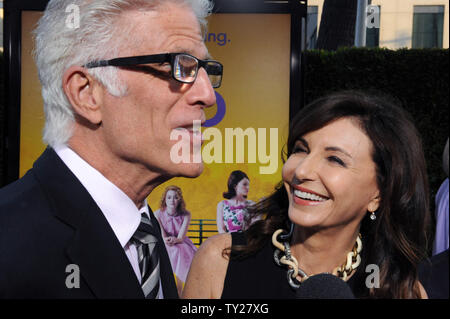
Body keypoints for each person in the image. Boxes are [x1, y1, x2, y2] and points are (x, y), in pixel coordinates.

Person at [0, 0, 222, 299]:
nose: (207, 95)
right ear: (86, 93)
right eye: (177, 66)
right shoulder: (9, 246)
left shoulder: (142, 229)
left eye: (204, 69)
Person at [183, 91, 430, 299]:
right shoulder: (222, 261)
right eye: (301, 150)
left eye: (335, 159)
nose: (301, 170)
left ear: (378, 195)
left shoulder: (399, 290)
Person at [154, 186, 197, 297]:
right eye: (169, 197)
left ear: (180, 200)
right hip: (165, 243)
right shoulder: (157, 214)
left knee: (179, 249)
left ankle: (179, 287)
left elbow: (181, 237)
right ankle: (166, 287)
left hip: (181, 243)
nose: (172, 200)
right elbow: (162, 236)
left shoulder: (186, 214)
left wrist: (175, 240)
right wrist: (167, 239)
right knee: (170, 249)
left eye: (175, 197)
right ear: (164, 200)